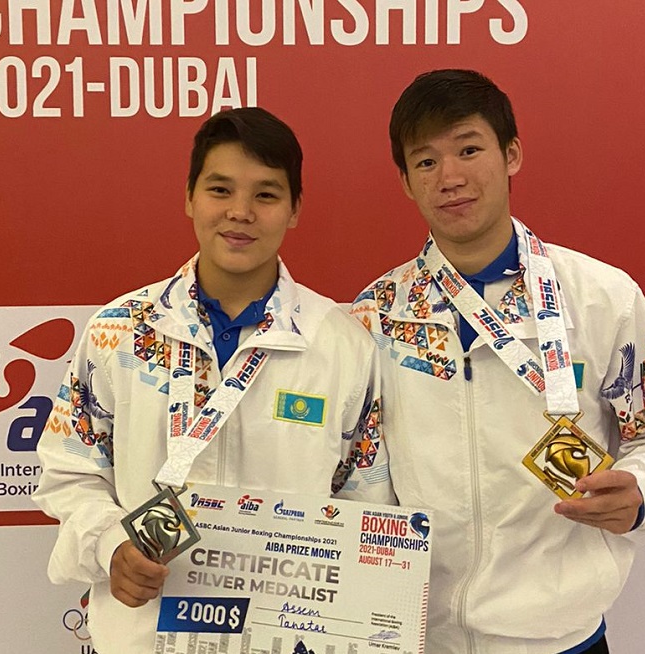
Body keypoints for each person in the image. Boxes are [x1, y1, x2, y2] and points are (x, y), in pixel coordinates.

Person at [350, 69, 645, 654]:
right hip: (419, 636)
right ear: (406, 182)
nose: (450, 177)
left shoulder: (600, 296)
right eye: (426, 161)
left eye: (469, 150)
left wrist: (643, 489)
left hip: (560, 638)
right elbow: (359, 472)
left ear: (511, 154)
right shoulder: (377, 313)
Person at [34, 107, 395, 653]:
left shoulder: (341, 345)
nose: (240, 213)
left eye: (266, 195)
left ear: (295, 209)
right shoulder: (120, 331)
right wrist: (110, 545)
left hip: (286, 637)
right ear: (189, 197)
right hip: (145, 634)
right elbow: (69, 473)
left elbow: (367, 501)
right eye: (220, 190)